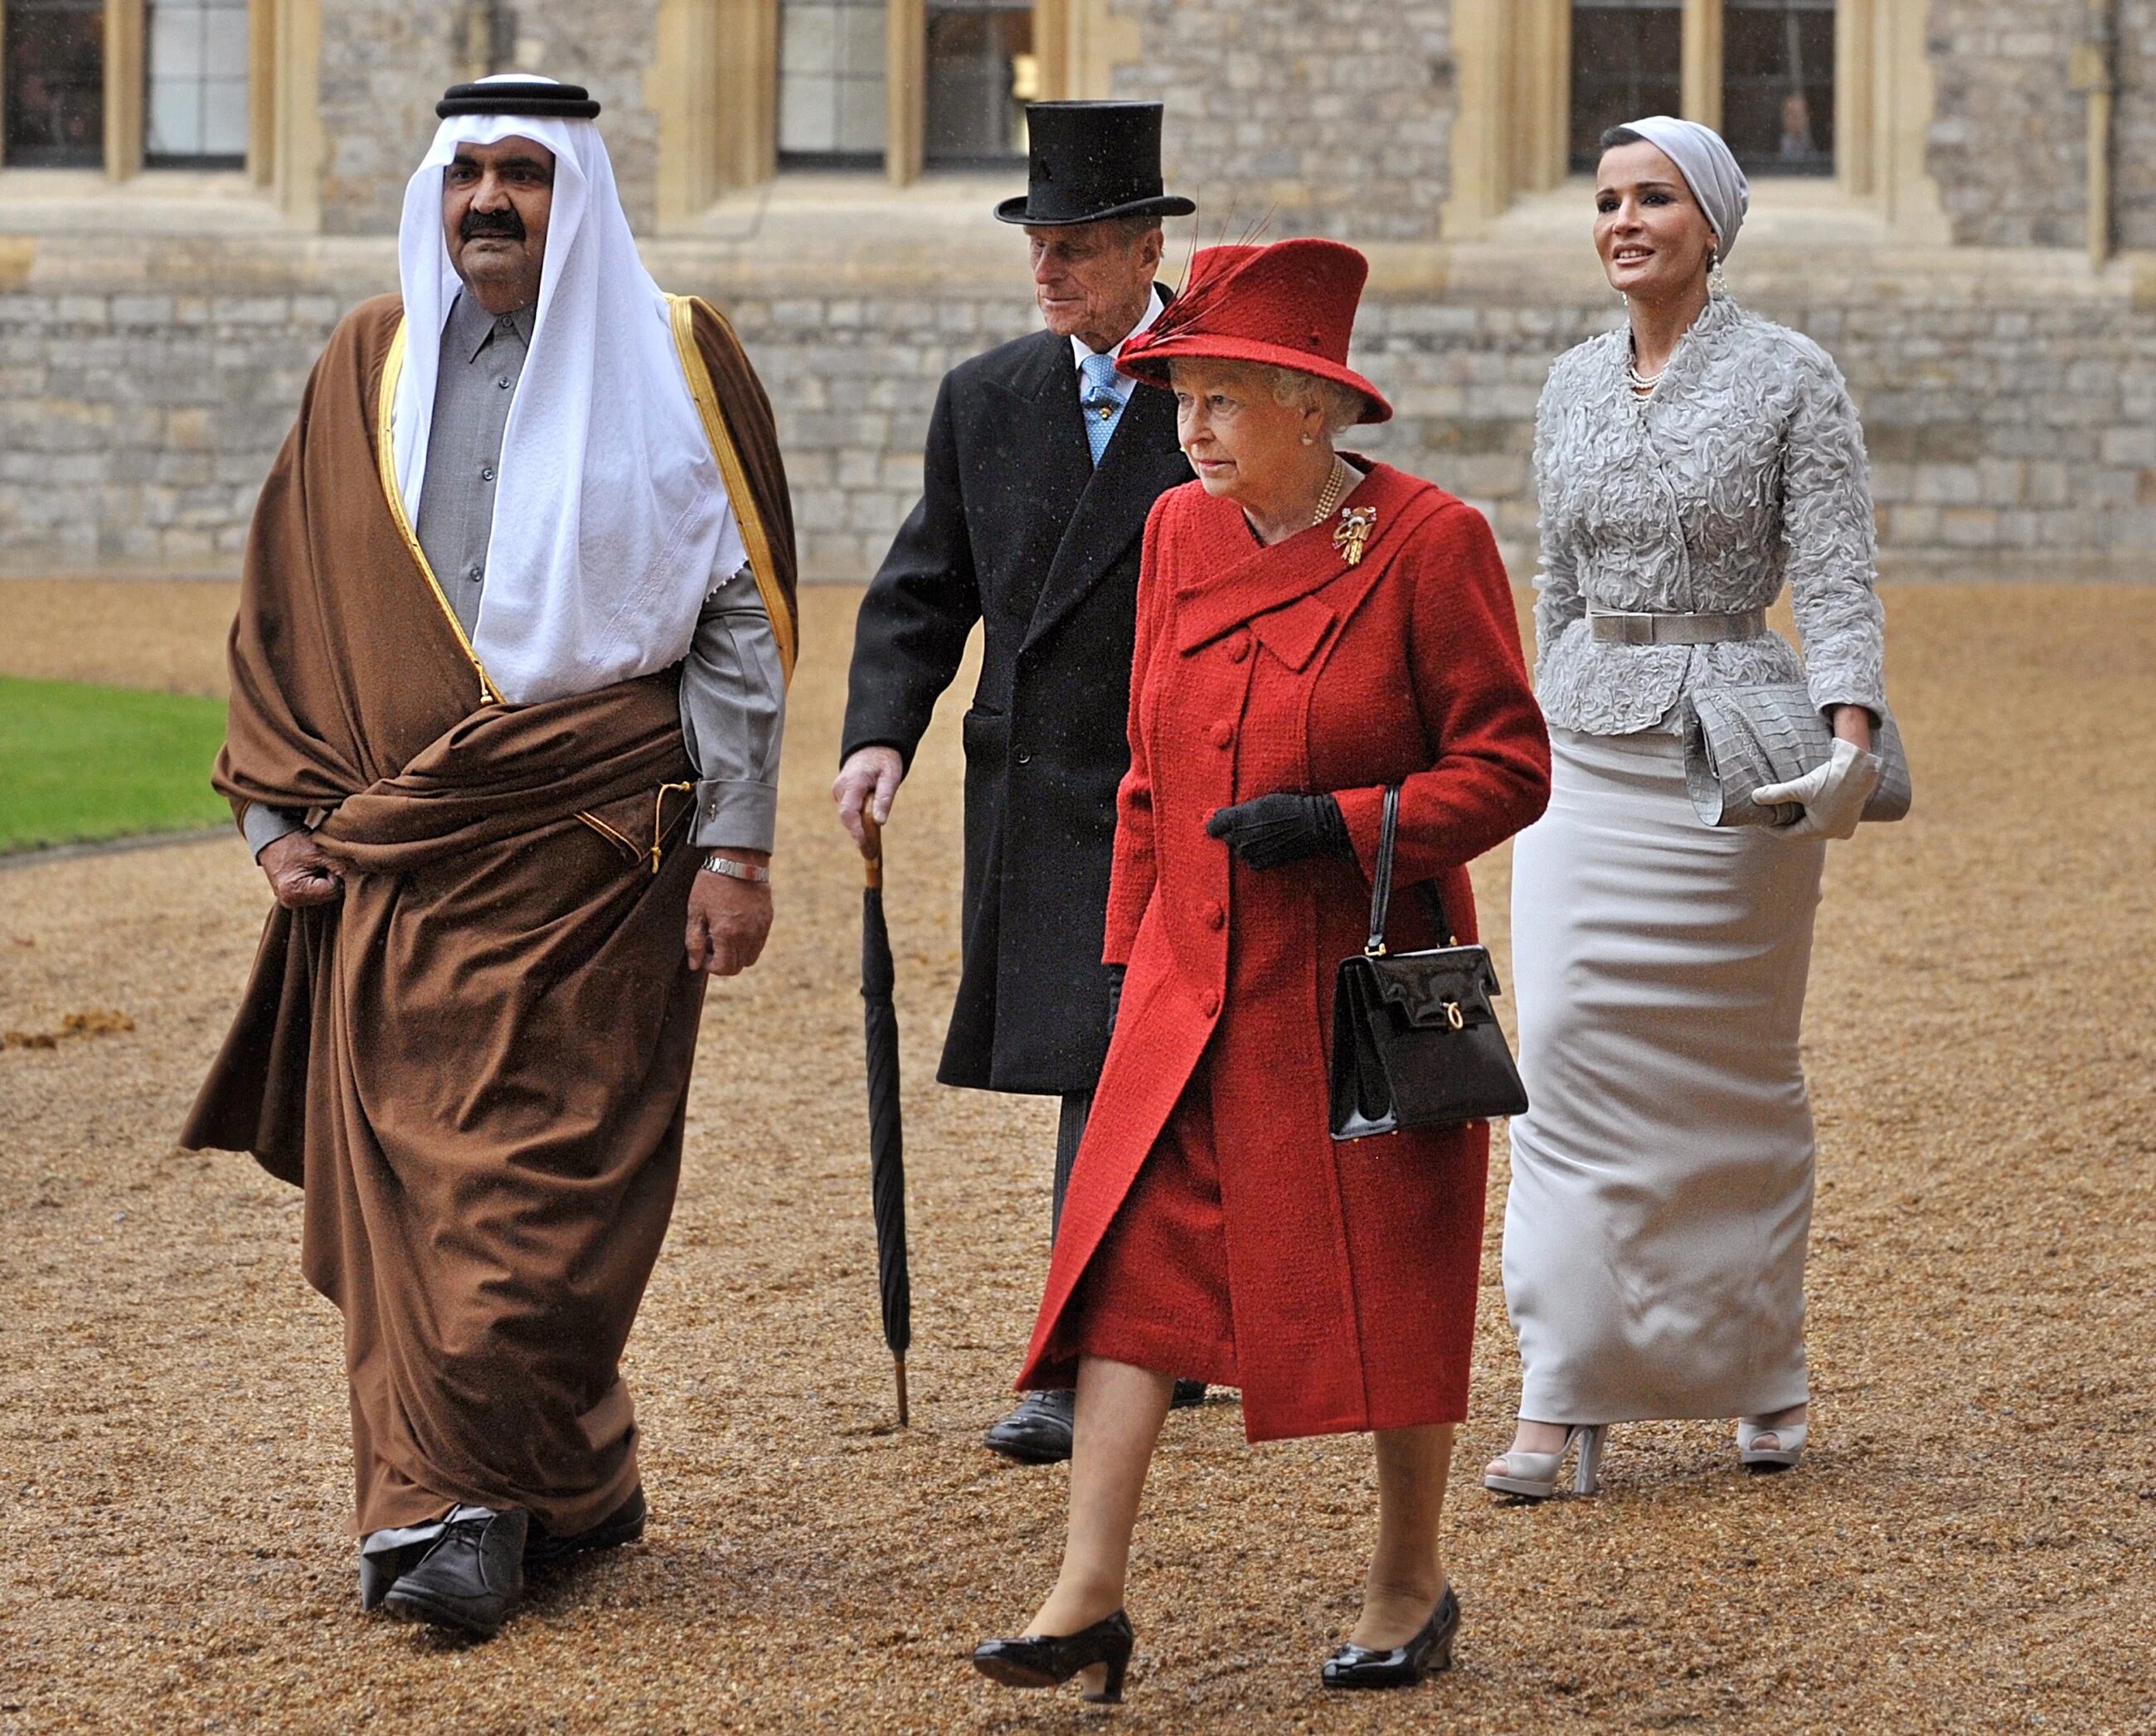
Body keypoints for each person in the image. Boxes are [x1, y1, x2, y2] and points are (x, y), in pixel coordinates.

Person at [180, 75, 798, 1639]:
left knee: (542, 1197)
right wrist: (274, 823)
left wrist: (737, 843)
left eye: (525, 176)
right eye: (467, 177)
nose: (490, 206)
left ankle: (546, 1472)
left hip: (602, 850)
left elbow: (736, 617)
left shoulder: (675, 356)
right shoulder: (363, 366)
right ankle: (468, 1503)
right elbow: (283, 607)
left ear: (575, 191)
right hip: (401, 864)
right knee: (419, 1197)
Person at [969, 240, 1551, 1702]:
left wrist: (1349, 825)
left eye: (1224, 400)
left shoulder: (1430, 545)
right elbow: (1146, 780)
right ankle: (1085, 1592)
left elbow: (1511, 766)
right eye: (1183, 403)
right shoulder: (1176, 532)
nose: (1195, 432)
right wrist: (1128, 963)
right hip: (1190, 985)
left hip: (1359, 988)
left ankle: (1409, 1578)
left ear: (1312, 405)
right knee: (1130, 1273)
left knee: (1392, 1278)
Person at [1484, 116, 1887, 1502]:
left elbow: (1833, 572)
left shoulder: (1793, 377)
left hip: (1745, 767)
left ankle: (1762, 1369)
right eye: (1605, 199)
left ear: (1712, 224)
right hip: (1585, 756)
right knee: (1570, 1054)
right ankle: (1559, 1388)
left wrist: (1850, 738)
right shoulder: (1566, 384)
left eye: (1653, 197)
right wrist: (1525, 721)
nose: (1623, 219)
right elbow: (1551, 577)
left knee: (1737, 1076)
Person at [835, 101, 1206, 1465]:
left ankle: (1133, 1339)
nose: (1047, 272)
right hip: (1049, 794)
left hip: (1193, 786)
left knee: (1172, 1064)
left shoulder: (1221, 392)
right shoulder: (987, 397)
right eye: (1037, 245)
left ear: (1144, 249)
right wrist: (881, 734)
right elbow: (924, 588)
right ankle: (1089, 1351)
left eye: (1075, 247)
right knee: (1094, 1069)